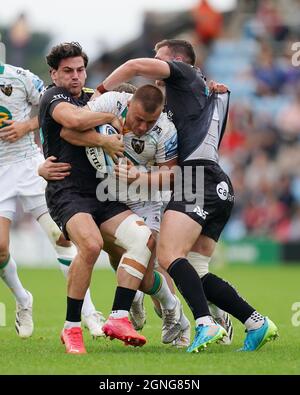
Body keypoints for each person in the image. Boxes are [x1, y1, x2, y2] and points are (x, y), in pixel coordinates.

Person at [95, 38, 279, 352]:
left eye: (160, 58)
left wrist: (97, 92)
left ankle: (205, 324)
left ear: (178, 61)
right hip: (217, 183)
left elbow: (132, 66)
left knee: (167, 256)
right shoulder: (205, 92)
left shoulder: (183, 75)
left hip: (196, 178)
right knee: (196, 268)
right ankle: (256, 322)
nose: (156, 64)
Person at [40, 83, 191, 347]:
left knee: (146, 273)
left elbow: (173, 176)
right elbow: (68, 131)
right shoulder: (109, 104)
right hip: (108, 195)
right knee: (101, 251)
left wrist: (140, 176)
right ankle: (113, 314)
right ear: (129, 104)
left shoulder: (166, 129)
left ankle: (172, 311)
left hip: (144, 198)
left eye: (150, 122)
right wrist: (102, 139)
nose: (143, 127)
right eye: (139, 119)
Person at [0, 62, 105, 340]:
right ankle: (23, 300)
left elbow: (47, 110)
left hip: (29, 163)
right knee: (0, 248)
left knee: (62, 237)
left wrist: (25, 126)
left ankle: (89, 312)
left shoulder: (20, 77)